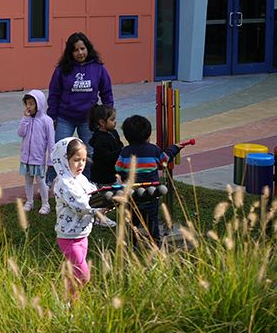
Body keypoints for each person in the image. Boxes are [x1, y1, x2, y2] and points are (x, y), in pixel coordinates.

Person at [47, 32, 114, 182]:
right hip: (65, 118)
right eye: (76, 50)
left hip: (89, 119)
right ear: (70, 52)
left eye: (82, 48)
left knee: (90, 152)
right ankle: (52, 183)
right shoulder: (62, 69)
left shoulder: (98, 68)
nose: (80, 53)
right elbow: (54, 93)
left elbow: (106, 92)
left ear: (88, 48)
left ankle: (90, 182)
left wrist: (107, 114)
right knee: (59, 151)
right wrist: (52, 116)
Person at [115, 115, 187, 248]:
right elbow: (165, 160)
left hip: (132, 195)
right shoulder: (153, 149)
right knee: (152, 220)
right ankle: (156, 244)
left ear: (126, 136)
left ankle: (132, 246)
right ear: (148, 135)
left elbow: (118, 168)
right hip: (151, 193)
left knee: (132, 221)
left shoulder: (125, 152)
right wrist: (175, 148)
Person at [52, 137, 100, 298]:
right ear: (65, 160)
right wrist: (99, 208)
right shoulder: (63, 183)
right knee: (83, 275)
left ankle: (70, 304)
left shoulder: (81, 179)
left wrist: (106, 200)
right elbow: (81, 206)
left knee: (73, 274)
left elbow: (94, 194)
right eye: (76, 160)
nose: (81, 164)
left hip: (82, 234)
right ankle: (67, 301)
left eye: (84, 160)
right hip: (69, 237)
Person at [18, 90, 55, 214]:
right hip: (25, 158)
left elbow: (51, 141)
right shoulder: (26, 119)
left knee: (40, 180)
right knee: (28, 180)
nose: (28, 107)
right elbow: (20, 133)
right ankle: (29, 202)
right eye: (27, 104)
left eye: (32, 104)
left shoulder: (47, 121)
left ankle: (46, 204)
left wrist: (51, 159)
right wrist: (25, 119)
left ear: (39, 104)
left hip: (38, 158)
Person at [88, 103, 122, 228]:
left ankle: (101, 214)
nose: (115, 122)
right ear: (102, 122)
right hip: (103, 174)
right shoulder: (99, 139)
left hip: (113, 172)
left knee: (115, 196)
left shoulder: (113, 132)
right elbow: (106, 158)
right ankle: (100, 217)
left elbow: (119, 144)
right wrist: (120, 152)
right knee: (107, 197)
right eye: (112, 120)